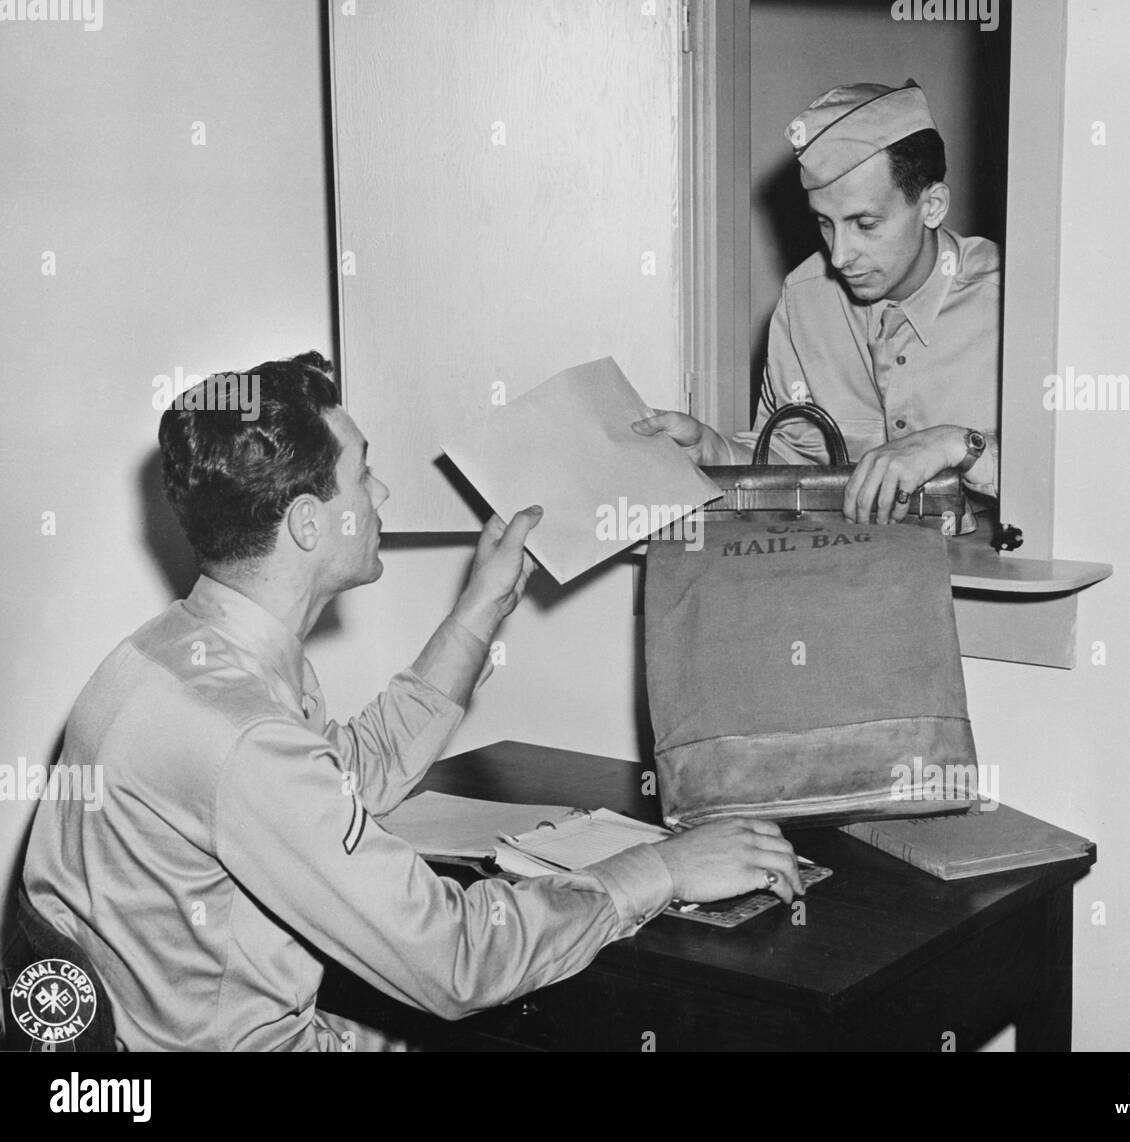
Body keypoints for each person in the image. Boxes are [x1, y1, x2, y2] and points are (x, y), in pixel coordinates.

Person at [21, 351, 800, 1051]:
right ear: (305, 523)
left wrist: (476, 614)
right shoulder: (244, 735)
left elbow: (335, 777)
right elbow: (455, 961)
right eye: (363, 474)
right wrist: (661, 868)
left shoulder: (166, 657)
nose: (382, 489)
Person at [634, 80, 1001, 526]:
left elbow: (1078, 475)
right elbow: (790, 461)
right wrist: (713, 451)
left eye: (865, 224)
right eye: (825, 224)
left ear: (932, 206)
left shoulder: (1013, 301)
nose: (840, 256)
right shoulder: (803, 299)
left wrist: (959, 445)